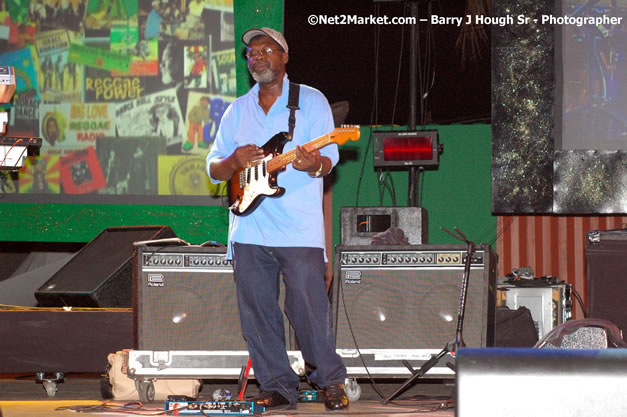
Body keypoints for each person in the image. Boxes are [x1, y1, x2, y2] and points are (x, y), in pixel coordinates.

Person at [206, 27, 349, 411]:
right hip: (249, 228)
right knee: (258, 313)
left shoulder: (312, 102)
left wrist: (313, 162)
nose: (258, 57)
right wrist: (233, 161)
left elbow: (329, 158)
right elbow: (214, 170)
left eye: (267, 50)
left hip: (299, 230)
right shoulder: (237, 110)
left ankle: (330, 381)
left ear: (285, 57)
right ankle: (277, 386)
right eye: (252, 53)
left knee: (308, 308)